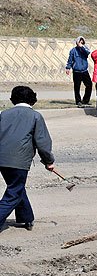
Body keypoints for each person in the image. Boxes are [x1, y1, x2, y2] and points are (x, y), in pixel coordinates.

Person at [0, 86, 55, 231]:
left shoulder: (4, 114)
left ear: (13, 99)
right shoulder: (35, 116)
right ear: (32, 99)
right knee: (14, 192)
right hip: (19, 160)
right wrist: (49, 161)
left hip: (2, 159)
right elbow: (42, 142)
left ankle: (26, 218)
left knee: (16, 187)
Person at [65, 36, 92, 107]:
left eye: (82, 42)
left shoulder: (85, 49)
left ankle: (86, 100)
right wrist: (68, 68)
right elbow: (70, 60)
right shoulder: (73, 51)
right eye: (79, 42)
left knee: (89, 85)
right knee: (77, 87)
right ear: (77, 42)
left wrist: (82, 47)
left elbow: (88, 53)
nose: (81, 43)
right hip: (76, 72)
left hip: (84, 71)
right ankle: (78, 101)